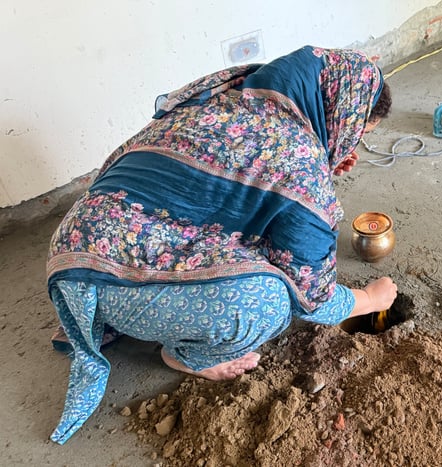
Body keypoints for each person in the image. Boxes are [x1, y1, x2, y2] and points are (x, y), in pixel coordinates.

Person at [46, 45, 397, 444]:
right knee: (271, 302)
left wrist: (326, 157)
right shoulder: (300, 164)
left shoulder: (227, 97)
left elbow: (236, 184)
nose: (352, 146)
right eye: (358, 133)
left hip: (74, 253)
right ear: (342, 115)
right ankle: (188, 356)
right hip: (112, 287)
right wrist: (369, 299)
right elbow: (313, 296)